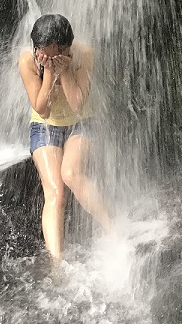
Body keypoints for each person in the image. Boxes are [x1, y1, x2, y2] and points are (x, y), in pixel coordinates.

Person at [18, 14, 112, 262]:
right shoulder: (27, 60)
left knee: (71, 174)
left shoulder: (84, 54)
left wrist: (66, 70)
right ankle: (56, 264)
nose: (52, 58)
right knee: (56, 193)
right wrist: (50, 73)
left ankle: (115, 232)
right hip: (45, 126)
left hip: (82, 122)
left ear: (68, 47)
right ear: (36, 48)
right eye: (46, 55)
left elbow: (78, 104)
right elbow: (43, 110)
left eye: (59, 53)